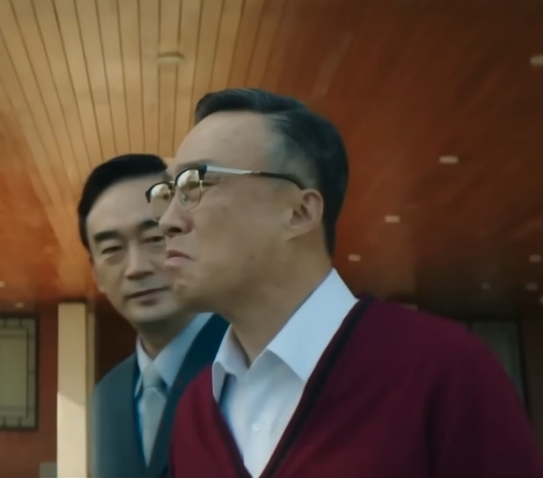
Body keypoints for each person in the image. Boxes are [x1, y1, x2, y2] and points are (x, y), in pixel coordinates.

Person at [147, 88, 543, 477]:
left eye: (196, 183)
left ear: (300, 212)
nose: (167, 221)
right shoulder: (194, 412)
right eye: (169, 192)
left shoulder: (445, 371)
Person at [79, 154, 228, 478]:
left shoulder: (252, 361)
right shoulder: (105, 398)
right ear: (95, 273)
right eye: (112, 249)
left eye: (156, 239)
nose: (137, 268)